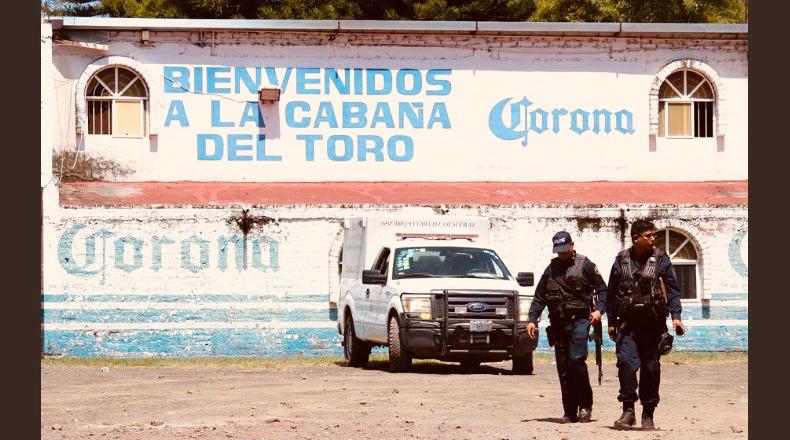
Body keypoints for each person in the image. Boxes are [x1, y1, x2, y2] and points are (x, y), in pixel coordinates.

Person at [607, 220, 685, 430]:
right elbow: (611, 293)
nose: (653, 239)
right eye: (648, 235)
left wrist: (676, 316)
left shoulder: (661, 259)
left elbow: (673, 290)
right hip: (628, 325)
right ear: (636, 239)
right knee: (625, 363)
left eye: (653, 235)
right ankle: (628, 411)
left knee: (651, 368)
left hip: (653, 325)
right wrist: (611, 323)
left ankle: (648, 414)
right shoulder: (621, 261)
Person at [526, 231, 608, 423]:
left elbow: (603, 290)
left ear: (572, 245)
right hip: (558, 324)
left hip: (579, 321)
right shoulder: (551, 269)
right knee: (563, 367)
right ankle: (570, 411)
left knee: (576, 361)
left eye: (565, 250)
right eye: (559, 251)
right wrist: (532, 319)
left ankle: (585, 406)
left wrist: (599, 310)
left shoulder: (585, 265)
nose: (562, 254)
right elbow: (540, 297)